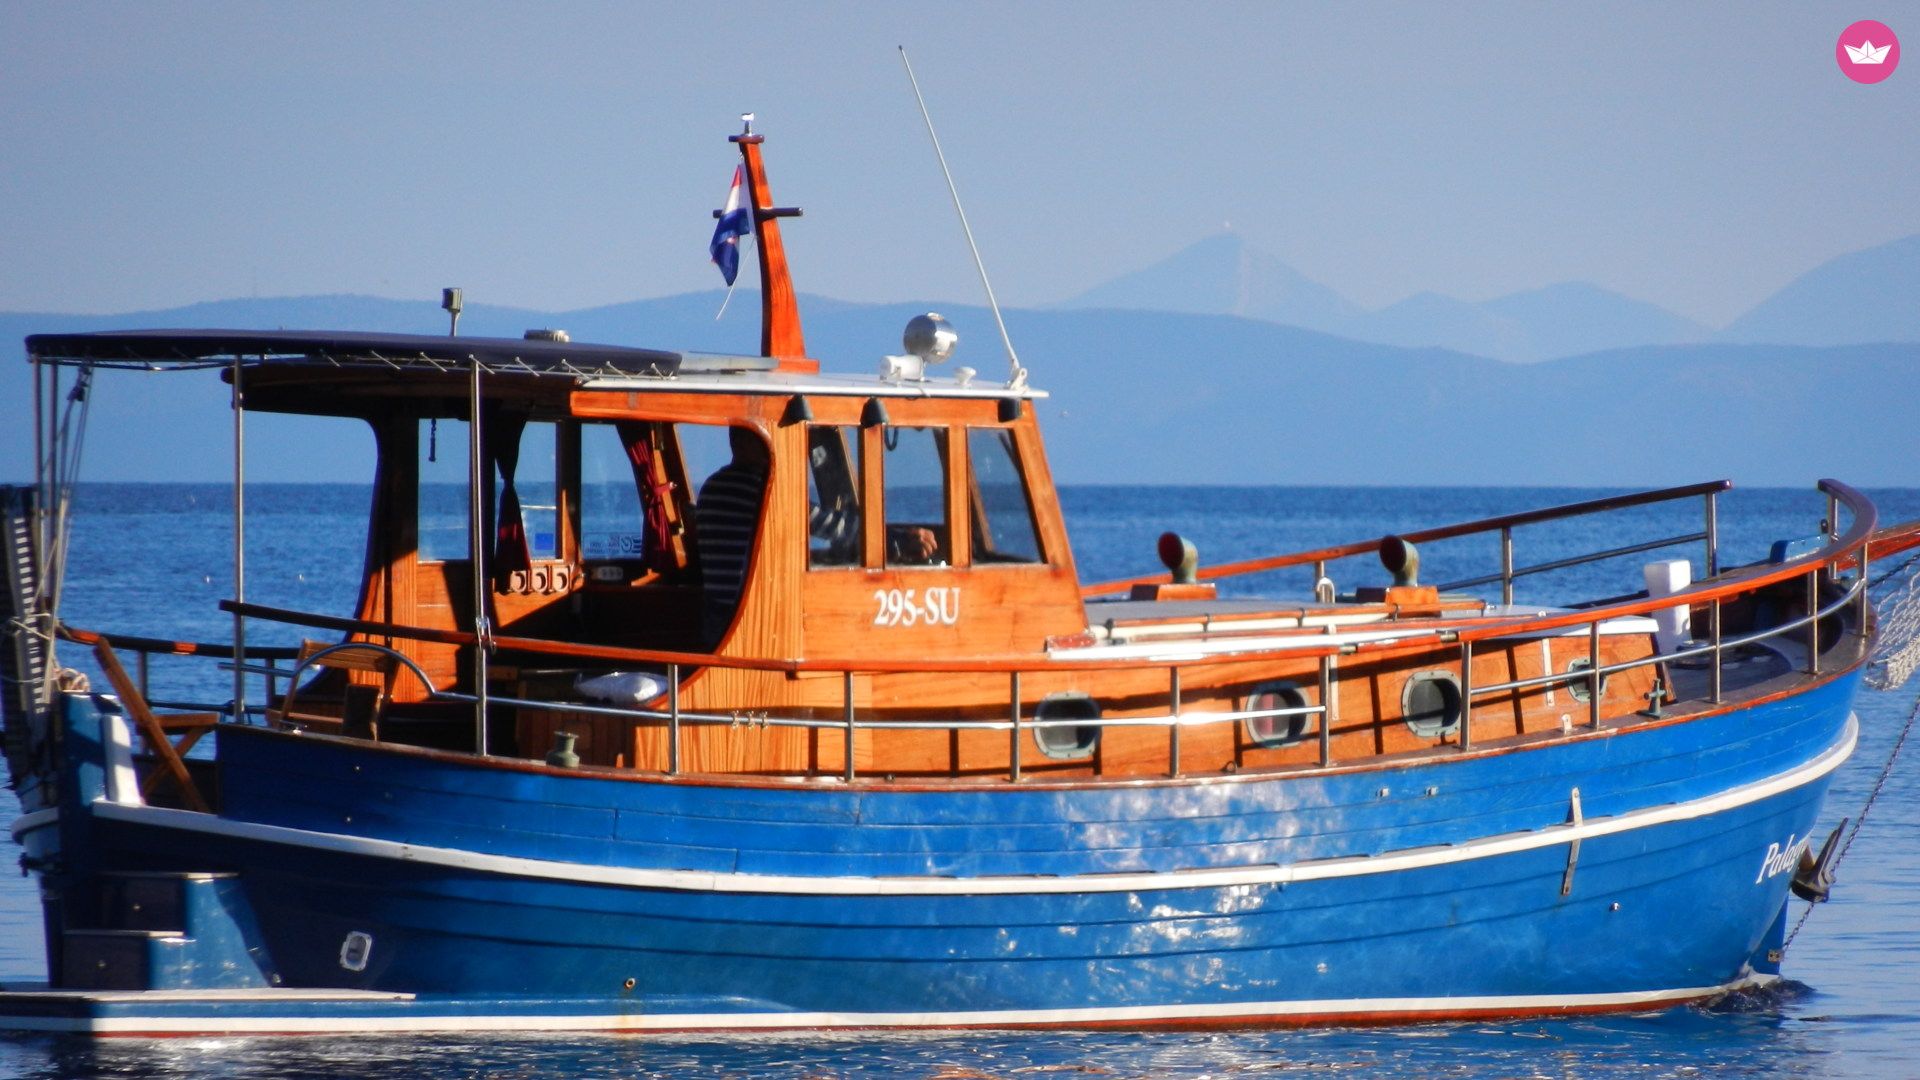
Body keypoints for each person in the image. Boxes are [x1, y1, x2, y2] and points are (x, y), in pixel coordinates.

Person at [696, 428, 770, 645]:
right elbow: (823, 524)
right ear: (742, 443)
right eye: (762, 442)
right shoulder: (755, 488)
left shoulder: (711, 485)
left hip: (715, 610)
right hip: (745, 612)